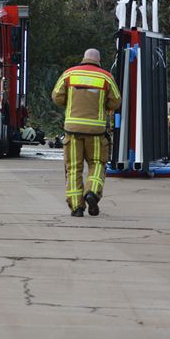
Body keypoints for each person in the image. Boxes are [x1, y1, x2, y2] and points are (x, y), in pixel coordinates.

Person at [51, 49, 121, 217]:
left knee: (73, 168)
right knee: (97, 164)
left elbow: (57, 97)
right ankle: (92, 192)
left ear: (83, 58)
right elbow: (116, 102)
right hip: (96, 132)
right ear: (99, 60)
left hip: (72, 131)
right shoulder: (106, 77)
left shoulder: (69, 74)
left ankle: (77, 207)